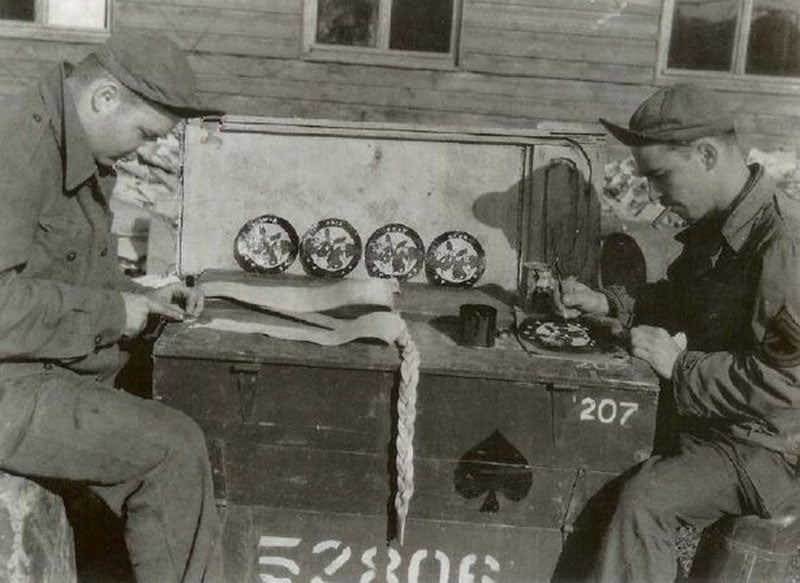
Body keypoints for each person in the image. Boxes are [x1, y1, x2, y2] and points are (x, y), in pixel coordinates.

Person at [0, 30, 223, 582]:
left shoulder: (68, 142)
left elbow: (67, 268)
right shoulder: (17, 153)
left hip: (35, 369)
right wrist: (111, 316)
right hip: (10, 388)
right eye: (144, 133)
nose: (143, 150)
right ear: (104, 98)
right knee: (174, 449)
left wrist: (139, 297)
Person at [561, 83, 800, 582]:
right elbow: (683, 301)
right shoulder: (726, 221)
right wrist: (609, 303)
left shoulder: (782, 245)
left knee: (644, 502)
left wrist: (679, 365)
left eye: (661, 177)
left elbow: (788, 386)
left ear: (707, 155)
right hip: (726, 420)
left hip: (769, 448)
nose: (655, 195)